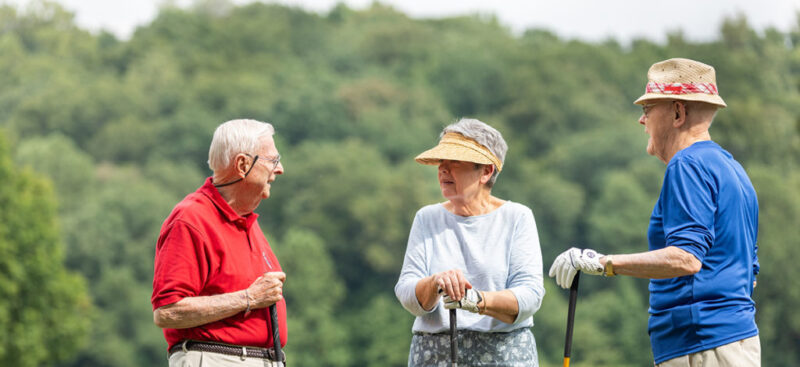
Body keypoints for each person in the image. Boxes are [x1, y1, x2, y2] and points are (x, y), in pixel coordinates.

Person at [548, 58, 760, 367]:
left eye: (648, 110)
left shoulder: (687, 164)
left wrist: (603, 263)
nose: (641, 120)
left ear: (677, 112)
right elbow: (749, 273)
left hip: (700, 343)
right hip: (733, 342)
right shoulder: (733, 169)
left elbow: (686, 258)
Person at [395, 118, 545, 367]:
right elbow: (407, 292)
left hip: (505, 353)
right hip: (434, 354)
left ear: (486, 171)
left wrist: (477, 300)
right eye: (441, 162)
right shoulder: (427, 218)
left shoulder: (517, 217)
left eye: (454, 161)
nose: (443, 169)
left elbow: (529, 296)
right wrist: (435, 283)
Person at [151, 119, 288, 367]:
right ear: (243, 165)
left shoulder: (248, 221)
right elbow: (167, 311)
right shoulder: (191, 218)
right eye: (273, 161)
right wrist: (248, 298)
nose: (280, 170)